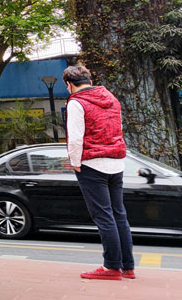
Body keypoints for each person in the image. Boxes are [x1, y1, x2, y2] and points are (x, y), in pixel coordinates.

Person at [64, 64, 134, 280]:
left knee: (104, 216)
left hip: (92, 164)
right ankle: (128, 266)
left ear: (69, 84)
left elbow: (75, 137)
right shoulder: (112, 98)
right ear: (90, 81)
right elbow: (118, 129)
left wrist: (75, 162)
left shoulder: (76, 102)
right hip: (116, 162)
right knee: (119, 214)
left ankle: (111, 267)